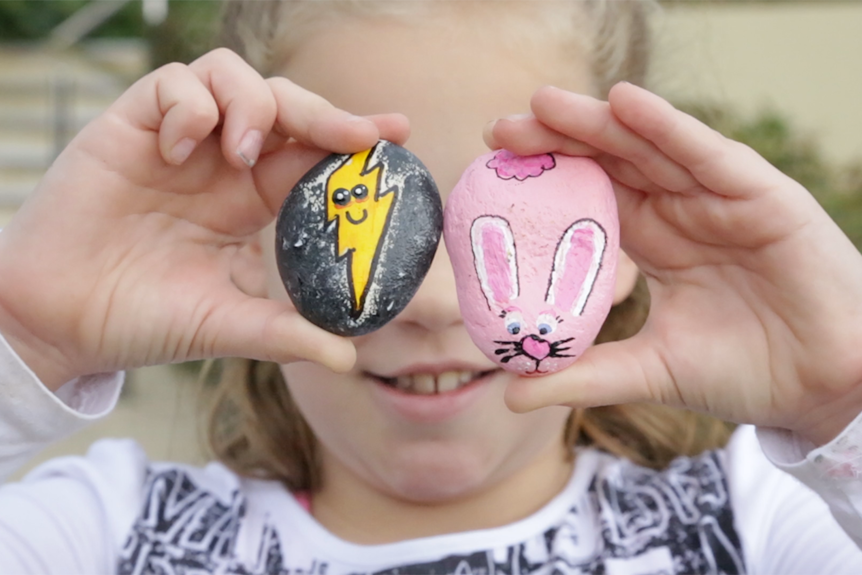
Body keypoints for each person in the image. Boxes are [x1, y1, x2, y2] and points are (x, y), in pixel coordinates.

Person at [1, 0, 861, 572]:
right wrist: (23, 337)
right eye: (358, 211)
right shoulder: (107, 532)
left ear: (626, 234)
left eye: (531, 225)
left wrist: (845, 396)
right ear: (250, 238)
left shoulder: (760, 527)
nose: (437, 303)